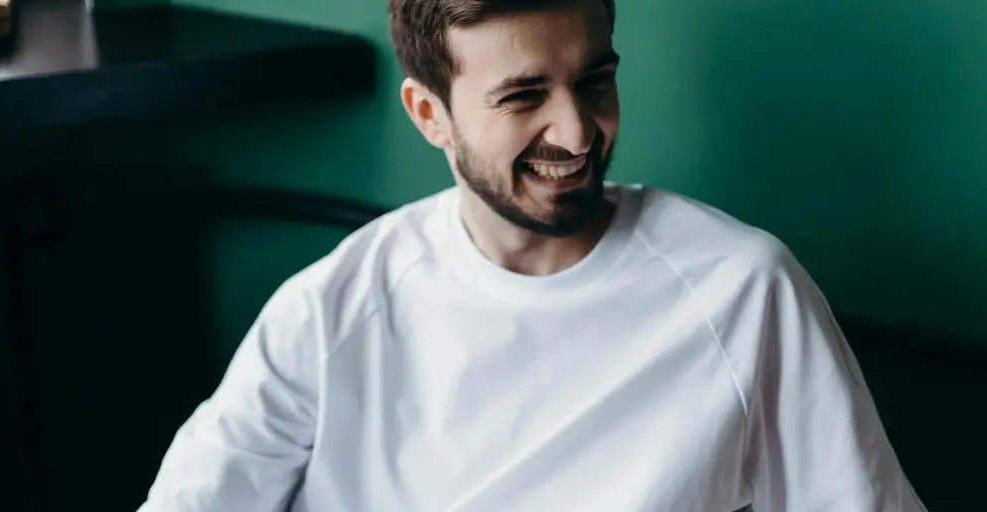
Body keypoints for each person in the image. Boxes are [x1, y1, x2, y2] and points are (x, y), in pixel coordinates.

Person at [138, 0, 928, 510]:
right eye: (524, 97)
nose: (578, 133)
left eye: (594, 82)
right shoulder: (334, 307)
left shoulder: (742, 292)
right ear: (430, 114)